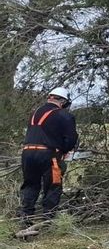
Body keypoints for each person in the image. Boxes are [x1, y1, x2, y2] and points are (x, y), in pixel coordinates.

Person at [19, 87, 78, 226]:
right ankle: (47, 221)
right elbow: (70, 138)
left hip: (27, 153)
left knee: (30, 185)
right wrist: (65, 150)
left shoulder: (35, 113)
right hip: (48, 155)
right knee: (53, 186)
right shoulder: (64, 115)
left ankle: (25, 219)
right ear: (63, 101)